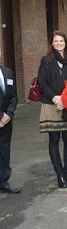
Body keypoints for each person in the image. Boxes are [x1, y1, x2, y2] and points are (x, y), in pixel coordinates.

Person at [38, 31, 67, 188]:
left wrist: (65, 99)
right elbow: (42, 82)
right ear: (52, 43)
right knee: (54, 140)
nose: (58, 44)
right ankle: (59, 175)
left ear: (65, 42)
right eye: (55, 41)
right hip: (51, 104)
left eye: (61, 41)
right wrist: (55, 98)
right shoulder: (46, 60)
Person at [0, 64, 19, 194]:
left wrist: (8, 114)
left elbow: (14, 96)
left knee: (4, 151)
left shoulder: (7, 72)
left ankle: (3, 181)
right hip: (2, 117)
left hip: (6, 121)